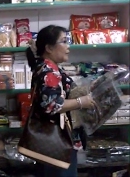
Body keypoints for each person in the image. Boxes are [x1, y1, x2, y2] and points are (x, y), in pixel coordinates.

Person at [25, 25, 96, 177]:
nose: (68, 46)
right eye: (63, 41)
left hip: (53, 143)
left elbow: (65, 91)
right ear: (49, 48)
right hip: (58, 144)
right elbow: (52, 105)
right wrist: (81, 102)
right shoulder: (48, 71)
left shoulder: (49, 67)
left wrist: (90, 88)